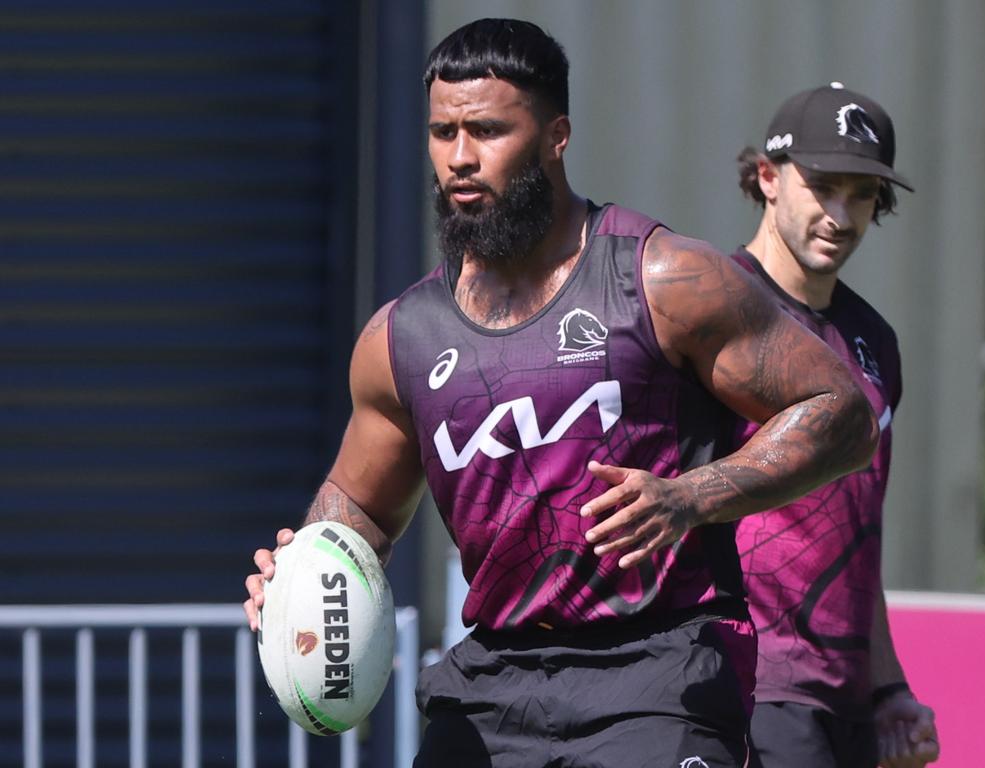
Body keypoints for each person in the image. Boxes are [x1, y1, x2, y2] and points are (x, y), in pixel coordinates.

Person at [244, 21, 879, 767]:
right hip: (493, 678)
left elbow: (843, 414)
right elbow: (361, 511)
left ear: (556, 136)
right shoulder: (401, 340)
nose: (459, 158)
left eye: (486, 130)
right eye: (442, 132)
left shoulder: (664, 280)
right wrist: (304, 578)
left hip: (659, 670)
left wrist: (691, 497)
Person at [731, 83, 940, 768]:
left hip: (846, 702)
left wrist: (889, 689)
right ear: (768, 177)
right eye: (824, 187)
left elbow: (858, 534)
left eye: (862, 194)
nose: (841, 215)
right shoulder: (709, 311)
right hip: (745, 683)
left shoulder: (874, 341)